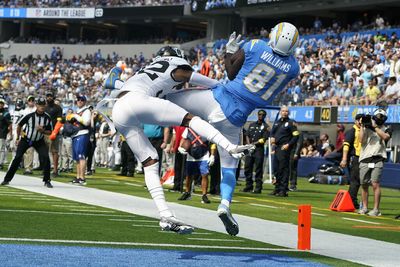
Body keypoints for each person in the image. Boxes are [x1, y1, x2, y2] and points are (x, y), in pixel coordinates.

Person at [107, 22, 300, 236]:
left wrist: (229, 52)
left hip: (214, 99)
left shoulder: (256, 45)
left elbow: (230, 73)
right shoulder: (294, 68)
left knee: (172, 110)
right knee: (229, 166)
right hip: (237, 117)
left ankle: (166, 213)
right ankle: (225, 204)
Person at [104, 46, 252, 235]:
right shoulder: (176, 65)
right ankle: (230, 146)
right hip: (139, 101)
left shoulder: (143, 72)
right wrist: (220, 86)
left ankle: (165, 215)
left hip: (120, 109)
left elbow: (115, 84)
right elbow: (204, 81)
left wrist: (116, 75)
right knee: (192, 120)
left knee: (150, 162)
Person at [1, 97, 53, 188]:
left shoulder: (47, 117)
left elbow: (50, 131)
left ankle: (47, 180)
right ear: (36, 106)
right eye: (40, 105)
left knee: (45, 158)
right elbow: (19, 125)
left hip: (39, 141)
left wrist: (43, 131)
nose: (41, 107)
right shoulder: (29, 116)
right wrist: (18, 137)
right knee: (17, 158)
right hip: (26, 139)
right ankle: (7, 179)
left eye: (43, 105)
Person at [358, 109, 391, 216]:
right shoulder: (367, 127)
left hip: (378, 158)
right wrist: (363, 126)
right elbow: (361, 140)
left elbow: (385, 137)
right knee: (364, 184)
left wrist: (375, 127)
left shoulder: (387, 128)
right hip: (365, 157)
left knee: (375, 183)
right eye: (378, 116)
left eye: (382, 116)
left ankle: (376, 209)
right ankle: (365, 207)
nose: (379, 118)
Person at [177, 128, 215, 204]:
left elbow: (213, 143)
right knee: (188, 175)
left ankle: (204, 195)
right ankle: (187, 193)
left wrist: (212, 155)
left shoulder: (206, 128)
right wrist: (180, 147)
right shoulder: (188, 129)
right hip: (191, 154)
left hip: (203, 154)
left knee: (205, 174)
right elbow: (184, 139)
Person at [270, 106, 300, 197]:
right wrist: (272, 138)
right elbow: (272, 133)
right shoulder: (277, 122)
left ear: (288, 113)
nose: (284, 112)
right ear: (280, 112)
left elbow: (296, 136)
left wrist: (288, 144)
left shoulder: (291, 123)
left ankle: (283, 190)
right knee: (276, 169)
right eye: (283, 111)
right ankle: (277, 188)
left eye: (286, 111)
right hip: (277, 148)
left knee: (283, 169)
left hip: (284, 148)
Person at [242, 109, 269, 194]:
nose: (261, 116)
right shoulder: (252, 124)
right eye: (260, 114)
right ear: (257, 115)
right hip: (250, 149)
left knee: (258, 169)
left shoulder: (266, 127)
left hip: (258, 149)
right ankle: (248, 186)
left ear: (264, 116)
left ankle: (258, 187)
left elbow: (263, 139)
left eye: (263, 115)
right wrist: (249, 144)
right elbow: (247, 135)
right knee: (247, 167)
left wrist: (254, 144)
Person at [340, 114, 363, 209]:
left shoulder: (363, 131)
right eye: (359, 121)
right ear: (355, 121)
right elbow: (346, 146)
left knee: (359, 181)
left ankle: (352, 200)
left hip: (363, 157)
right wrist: (344, 159)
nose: (361, 123)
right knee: (355, 181)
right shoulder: (352, 131)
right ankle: (351, 200)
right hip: (355, 157)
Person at [69, 94, 91, 186]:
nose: (80, 101)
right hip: (75, 134)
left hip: (82, 134)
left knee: (81, 156)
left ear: (85, 101)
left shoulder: (86, 111)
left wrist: (76, 117)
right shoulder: (77, 111)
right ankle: (78, 176)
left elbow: (86, 122)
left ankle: (82, 177)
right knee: (77, 157)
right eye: (78, 100)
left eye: (82, 100)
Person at [44, 91, 63, 178]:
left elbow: (59, 121)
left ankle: (55, 170)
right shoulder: (44, 107)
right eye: (47, 96)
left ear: (53, 97)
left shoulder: (58, 108)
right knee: (44, 151)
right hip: (45, 132)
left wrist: (55, 132)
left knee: (54, 151)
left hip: (54, 132)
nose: (49, 98)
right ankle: (46, 169)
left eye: (50, 96)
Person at [22, 95, 37, 175]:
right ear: (27, 102)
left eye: (32, 100)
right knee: (27, 151)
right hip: (27, 132)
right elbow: (22, 123)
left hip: (36, 132)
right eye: (30, 100)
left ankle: (32, 167)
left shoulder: (36, 110)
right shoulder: (24, 111)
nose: (31, 102)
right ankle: (27, 167)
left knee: (35, 151)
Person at [0, 98, 11, 170]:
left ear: (3, 105)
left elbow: (9, 124)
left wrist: (10, 133)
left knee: (1, 149)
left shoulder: (6, 113)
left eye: (1, 103)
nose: (0, 105)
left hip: (2, 133)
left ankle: (0, 163)